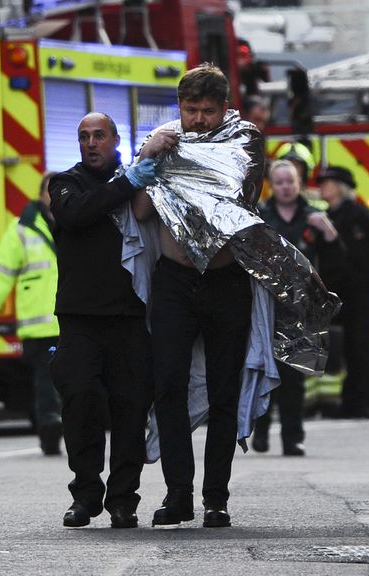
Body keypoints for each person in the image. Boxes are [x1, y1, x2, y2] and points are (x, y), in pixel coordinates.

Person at [133, 65, 265, 529]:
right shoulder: (162, 141)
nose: (200, 119)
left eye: (209, 110)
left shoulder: (244, 141)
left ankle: (216, 498)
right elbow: (142, 210)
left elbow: (238, 199)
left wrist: (187, 164)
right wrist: (148, 157)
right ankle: (177, 495)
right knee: (167, 385)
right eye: (191, 110)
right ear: (180, 108)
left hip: (225, 280)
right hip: (175, 280)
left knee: (223, 391)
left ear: (224, 108)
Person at [48, 112, 175, 529]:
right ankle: (85, 495)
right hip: (80, 319)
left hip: (128, 317)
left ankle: (123, 499)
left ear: (115, 140)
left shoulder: (137, 180)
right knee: (80, 401)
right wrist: (131, 180)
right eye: (84, 136)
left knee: (130, 409)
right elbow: (80, 214)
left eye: (99, 136)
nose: (91, 143)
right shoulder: (66, 183)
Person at [253, 159, 344, 455]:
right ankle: (261, 431)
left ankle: (293, 437)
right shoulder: (261, 216)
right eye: (279, 182)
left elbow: (338, 263)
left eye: (290, 181)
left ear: (299, 183)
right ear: (272, 185)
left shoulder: (312, 216)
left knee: (293, 375)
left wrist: (329, 232)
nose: (286, 187)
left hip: (300, 308)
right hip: (267, 305)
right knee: (265, 372)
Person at [0, 171, 62, 455]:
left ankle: (66, 426)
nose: (55, 195)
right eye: (50, 190)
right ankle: (49, 427)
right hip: (41, 325)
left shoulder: (80, 220)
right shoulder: (22, 229)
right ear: (40, 195)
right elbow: (0, 273)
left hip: (74, 320)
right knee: (47, 381)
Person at [317, 166, 369, 418]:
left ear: (340, 187)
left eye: (328, 183)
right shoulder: (326, 216)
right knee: (343, 350)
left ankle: (361, 400)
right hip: (336, 294)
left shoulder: (357, 215)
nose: (322, 187)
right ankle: (348, 399)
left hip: (360, 293)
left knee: (359, 348)